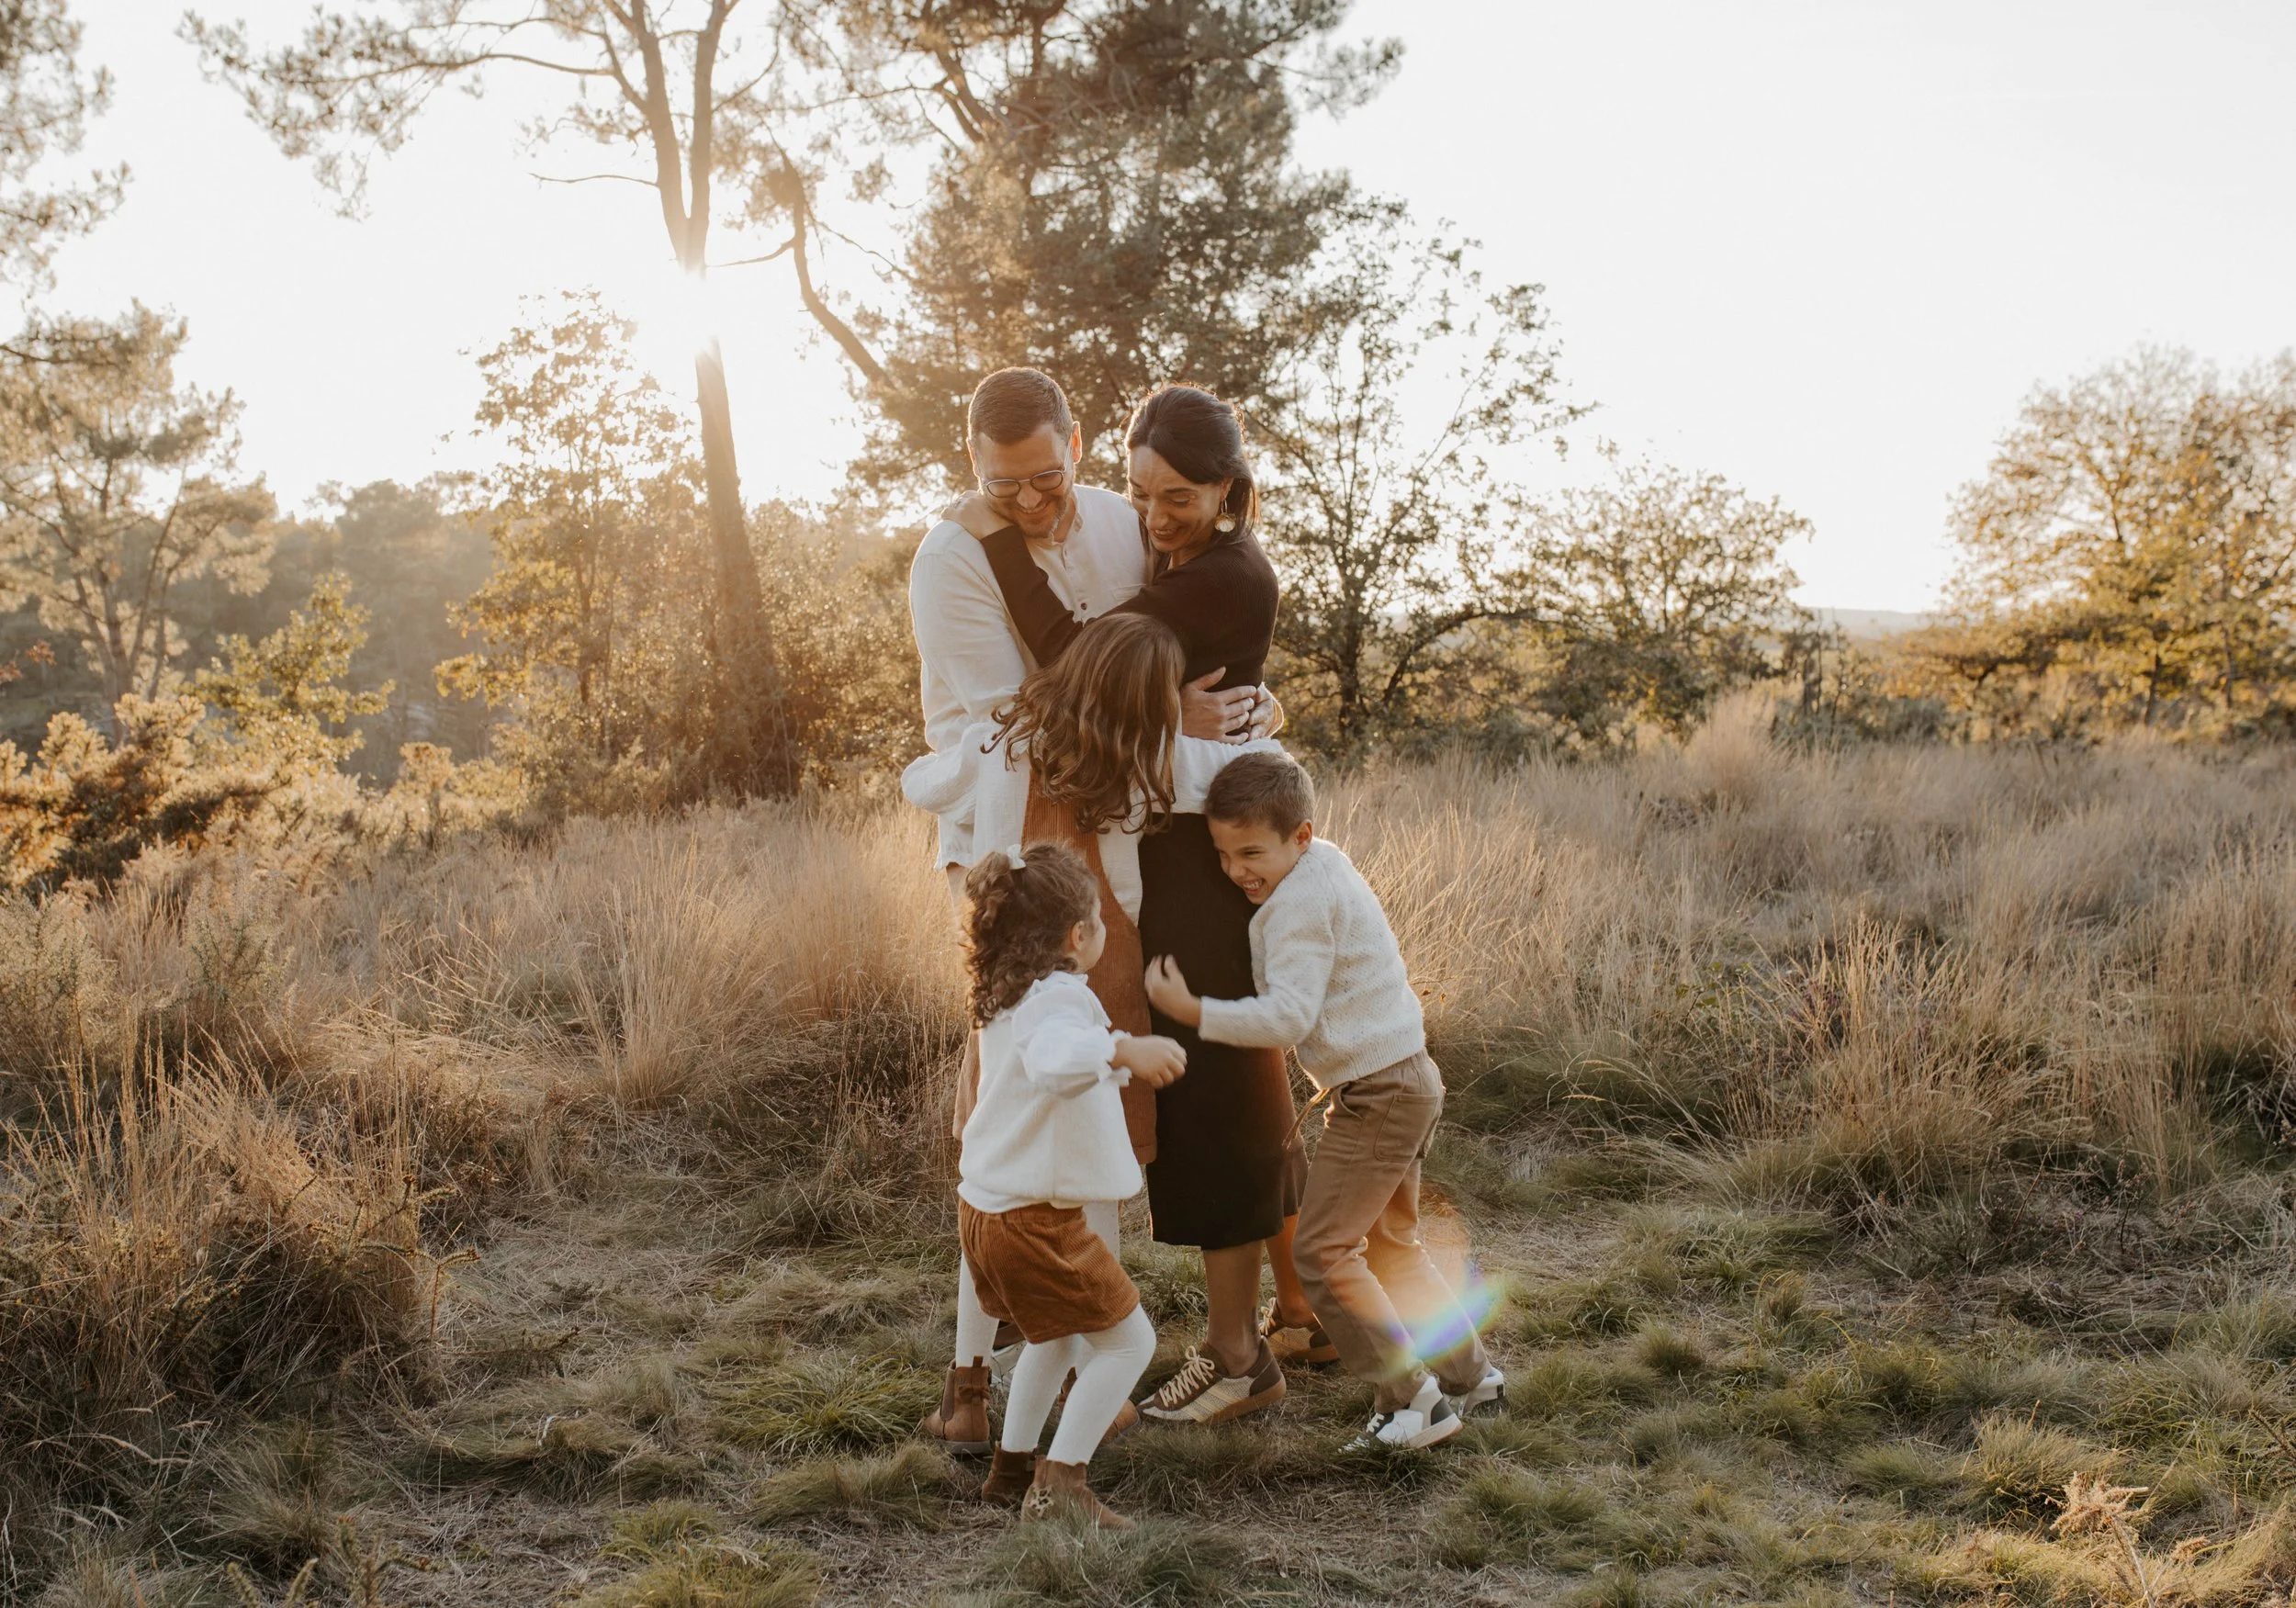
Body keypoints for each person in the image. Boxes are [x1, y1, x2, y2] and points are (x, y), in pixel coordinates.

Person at [908, 367, 1266, 1454]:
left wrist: (1220, 705)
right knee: (1010, 1099)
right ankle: (976, 1379)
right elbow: (1022, 710)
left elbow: (1166, 643)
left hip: (1119, 847)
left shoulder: (1123, 520)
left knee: (1096, 1101)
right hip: (1023, 845)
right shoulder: (952, 557)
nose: (1029, 500)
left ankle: (1077, 1367)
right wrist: (1172, 710)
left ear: (1075, 445)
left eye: (1045, 475)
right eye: (1000, 483)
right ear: (973, 466)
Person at [1143, 751, 1506, 1449]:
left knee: (1322, 1250)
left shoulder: (1296, 907)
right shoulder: (1324, 863)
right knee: (1392, 1246)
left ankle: (1412, 1400)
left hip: (1377, 1092)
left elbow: (1286, 1018)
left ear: (1300, 836)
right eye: (1221, 853)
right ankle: (1473, 1377)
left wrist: (1193, 1008)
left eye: (1251, 852)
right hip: (1406, 1076)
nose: (1236, 870)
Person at [956, 843, 1187, 1529]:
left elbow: (1054, 1063)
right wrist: (1125, 1049)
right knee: (1128, 1343)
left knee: (1053, 1340)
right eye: (1098, 918)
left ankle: (1012, 1469)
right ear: (1077, 936)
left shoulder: (1011, 991)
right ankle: (1061, 1488)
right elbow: (1059, 1059)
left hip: (991, 1209)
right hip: (1033, 1223)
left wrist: (1108, 1052)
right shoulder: (1055, 1000)